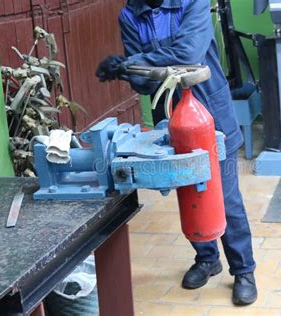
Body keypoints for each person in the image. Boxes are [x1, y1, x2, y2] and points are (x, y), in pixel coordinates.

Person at [95, 0, 257, 305]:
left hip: (211, 113)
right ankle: (207, 258)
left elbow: (188, 56)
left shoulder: (192, 3)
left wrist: (129, 65)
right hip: (171, 118)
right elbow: (143, 84)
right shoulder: (130, 14)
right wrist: (137, 68)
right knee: (189, 191)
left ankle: (244, 269)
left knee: (224, 196)